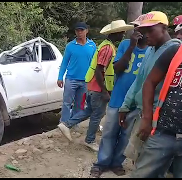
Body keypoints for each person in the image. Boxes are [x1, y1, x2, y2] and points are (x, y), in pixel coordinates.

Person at [113, 11, 182, 178]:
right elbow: (142, 82)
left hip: (158, 119)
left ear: (164, 28)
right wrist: (126, 105)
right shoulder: (155, 51)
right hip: (150, 116)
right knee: (143, 162)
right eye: (143, 31)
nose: (145, 35)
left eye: (150, 30)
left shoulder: (172, 48)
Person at [59, 20, 133, 151]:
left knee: (89, 110)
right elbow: (99, 70)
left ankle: (66, 124)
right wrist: (104, 90)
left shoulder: (101, 45)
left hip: (91, 85)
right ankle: (90, 140)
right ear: (116, 33)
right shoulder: (107, 48)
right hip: (97, 87)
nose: (123, 35)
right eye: (122, 32)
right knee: (97, 114)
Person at [89, 17, 148, 178]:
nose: (138, 30)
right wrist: (131, 47)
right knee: (109, 133)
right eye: (135, 27)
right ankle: (101, 163)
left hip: (136, 103)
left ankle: (116, 163)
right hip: (118, 99)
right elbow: (118, 69)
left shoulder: (151, 50)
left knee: (126, 135)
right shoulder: (124, 45)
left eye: (141, 28)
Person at [57, 22, 96, 141]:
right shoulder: (70, 46)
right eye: (77, 30)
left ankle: (73, 123)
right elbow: (64, 63)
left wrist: (94, 80)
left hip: (85, 80)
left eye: (82, 30)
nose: (79, 32)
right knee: (67, 102)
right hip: (71, 79)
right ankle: (63, 124)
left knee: (79, 104)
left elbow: (94, 64)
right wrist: (60, 77)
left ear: (86, 31)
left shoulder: (92, 45)